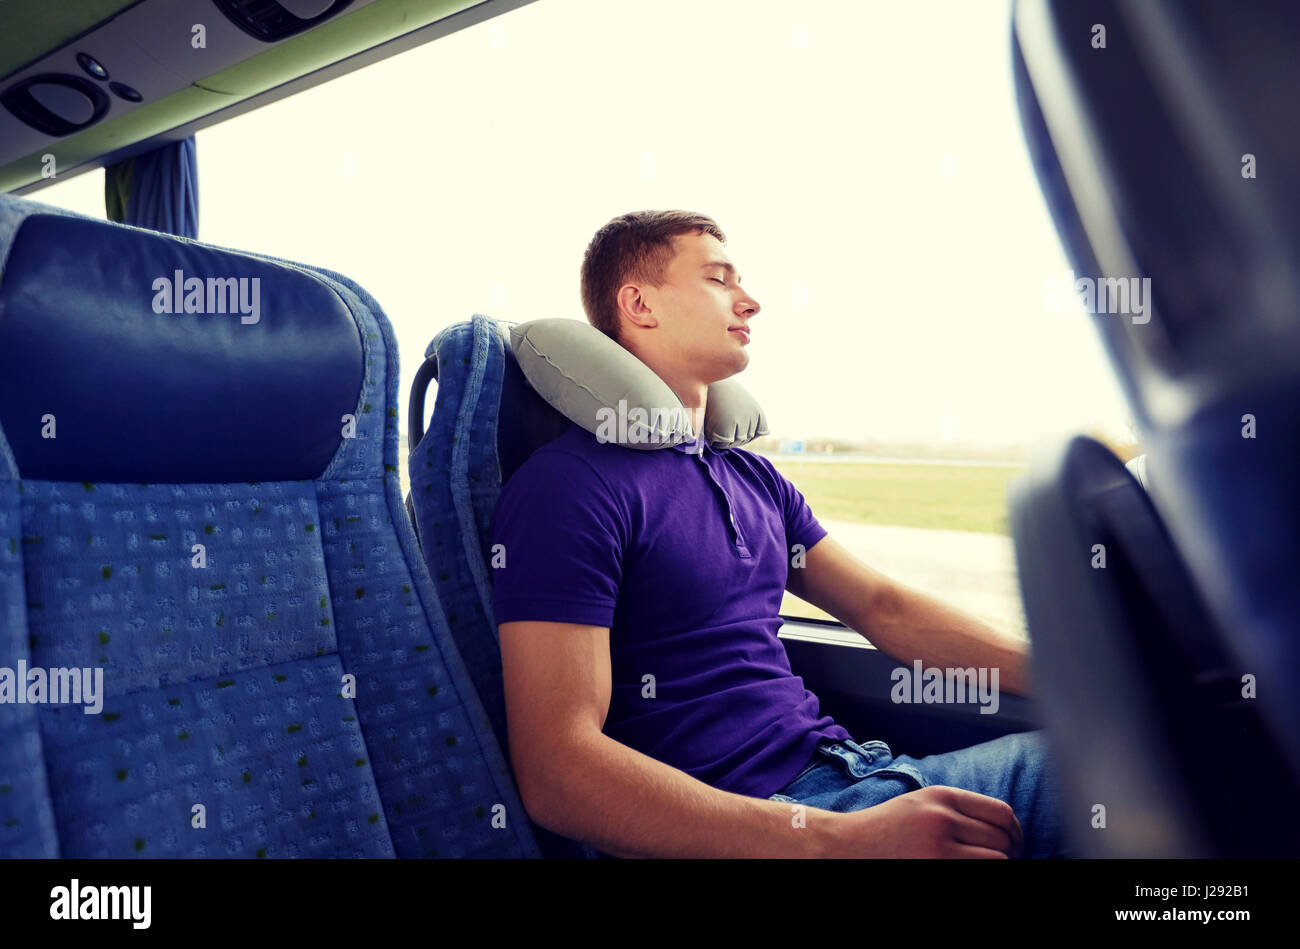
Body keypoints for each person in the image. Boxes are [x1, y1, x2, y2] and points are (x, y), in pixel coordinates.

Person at [489, 210, 1068, 858]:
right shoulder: (569, 487)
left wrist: (1074, 677)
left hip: (855, 774)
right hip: (768, 821)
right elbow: (556, 770)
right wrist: (843, 841)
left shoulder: (754, 479)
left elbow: (884, 608)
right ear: (639, 303)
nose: (751, 301)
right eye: (718, 278)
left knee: (1139, 749)